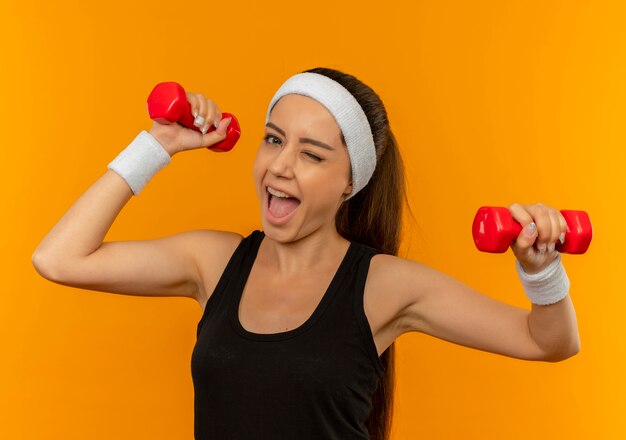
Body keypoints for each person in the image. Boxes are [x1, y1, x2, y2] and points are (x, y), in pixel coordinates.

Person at [31, 67, 580, 440]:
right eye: (273, 139)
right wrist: (157, 145)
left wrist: (542, 270)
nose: (280, 166)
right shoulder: (214, 262)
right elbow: (60, 258)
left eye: (312, 153)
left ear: (349, 182)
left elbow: (547, 342)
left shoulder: (383, 286)